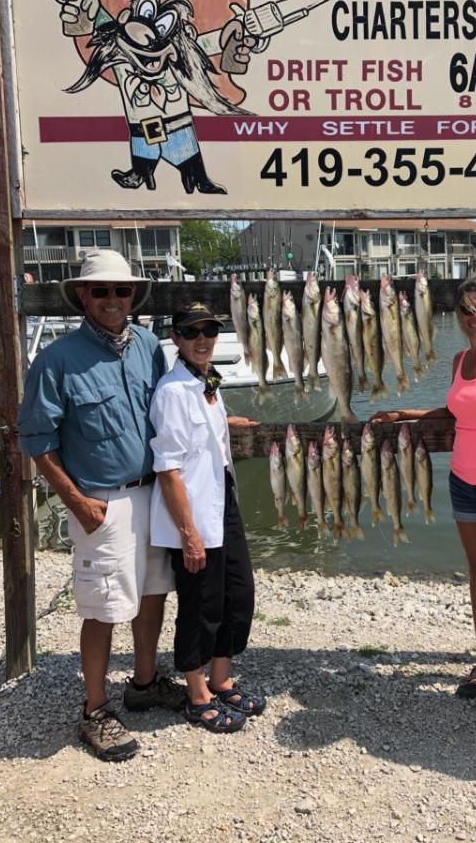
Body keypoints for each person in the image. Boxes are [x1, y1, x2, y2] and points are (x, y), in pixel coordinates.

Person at [18, 249, 185, 763]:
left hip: (153, 492)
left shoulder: (150, 351)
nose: (114, 300)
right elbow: (35, 438)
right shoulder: (56, 359)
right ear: (83, 297)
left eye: (122, 290)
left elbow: (173, 407)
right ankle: (95, 708)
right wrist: (76, 500)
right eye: (102, 291)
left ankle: (144, 681)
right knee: (103, 607)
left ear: (133, 296)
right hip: (102, 501)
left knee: (153, 594)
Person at [372, 277, 476, 713]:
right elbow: (456, 411)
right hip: (464, 481)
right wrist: (407, 413)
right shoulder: (460, 360)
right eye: (468, 310)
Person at [149, 303, 265, 732]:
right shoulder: (172, 391)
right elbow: (168, 467)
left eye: (209, 330)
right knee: (200, 604)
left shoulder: (207, 382)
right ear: (176, 339)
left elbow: (202, 433)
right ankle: (197, 693)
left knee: (238, 592)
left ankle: (221, 676)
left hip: (224, 499)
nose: (202, 338)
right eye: (191, 331)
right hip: (194, 512)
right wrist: (188, 534)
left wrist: (224, 422)